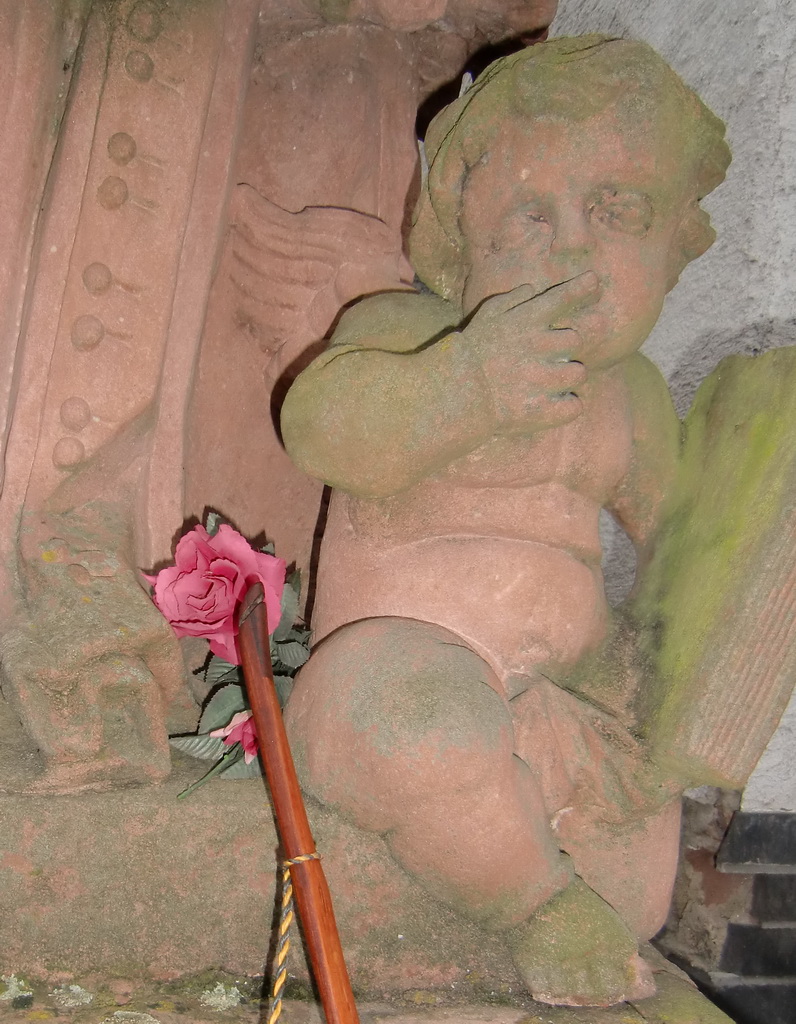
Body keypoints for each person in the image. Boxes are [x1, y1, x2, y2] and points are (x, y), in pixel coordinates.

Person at [281, 35, 730, 1006]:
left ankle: (552, 887)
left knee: (639, 874)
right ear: (461, 237)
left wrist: (645, 675)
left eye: (616, 211)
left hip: (565, 721)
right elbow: (319, 426)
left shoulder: (633, 398)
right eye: (531, 214)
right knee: (408, 718)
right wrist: (465, 387)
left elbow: (686, 554)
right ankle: (536, 904)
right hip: (404, 689)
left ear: (673, 250)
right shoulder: (408, 335)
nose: (569, 248)